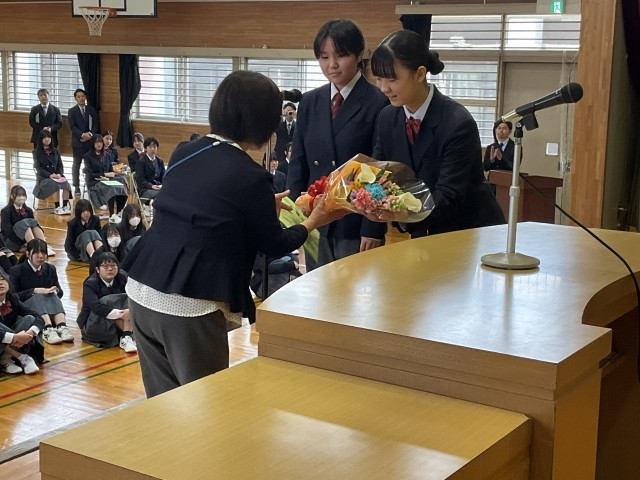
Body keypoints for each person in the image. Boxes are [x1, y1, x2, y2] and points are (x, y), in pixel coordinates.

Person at [122, 70, 346, 398]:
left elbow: (203, 206)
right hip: (189, 303)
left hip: (141, 289)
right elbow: (273, 244)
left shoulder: (186, 151)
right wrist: (314, 220)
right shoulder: (251, 176)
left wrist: (258, 207)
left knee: (163, 405)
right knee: (207, 405)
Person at [370, 30, 505, 238]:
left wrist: (400, 213)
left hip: (468, 231)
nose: (383, 88)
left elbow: (449, 195)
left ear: (420, 74)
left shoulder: (458, 122)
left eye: (392, 79)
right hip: (423, 231)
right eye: (379, 79)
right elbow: (380, 172)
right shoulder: (387, 117)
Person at [287, 18, 389, 271]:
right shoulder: (310, 101)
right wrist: (295, 215)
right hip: (316, 216)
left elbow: (381, 168)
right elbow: (298, 161)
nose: (332, 65)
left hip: (356, 220)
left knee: (356, 289)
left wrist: (373, 227)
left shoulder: (379, 102)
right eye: (324, 57)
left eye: (341, 55)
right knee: (318, 288)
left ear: (359, 55)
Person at [10, 239, 73, 344]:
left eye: (43, 253)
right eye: (36, 253)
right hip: (26, 307)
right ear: (28, 254)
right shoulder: (16, 270)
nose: (41, 256)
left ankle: (62, 326)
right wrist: (35, 291)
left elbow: (60, 291)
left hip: (47, 306)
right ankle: (47, 329)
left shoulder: (50, 268)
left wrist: (55, 290)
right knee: (38, 296)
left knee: (53, 295)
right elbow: (13, 296)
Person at [78, 252, 136, 353]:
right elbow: (96, 307)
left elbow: (133, 296)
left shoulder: (122, 277)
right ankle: (128, 336)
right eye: (105, 266)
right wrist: (122, 314)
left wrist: (128, 311)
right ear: (97, 269)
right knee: (107, 300)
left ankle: (126, 336)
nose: (110, 269)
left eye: (113, 266)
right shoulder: (90, 283)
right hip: (95, 322)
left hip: (119, 320)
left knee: (127, 298)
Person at [0, 268, 44, 375]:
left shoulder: (13, 298)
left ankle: (6, 357)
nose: (0, 283)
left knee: (29, 318)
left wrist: (30, 333)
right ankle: (22, 358)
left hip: (14, 341)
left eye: (3, 279)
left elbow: (38, 317)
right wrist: (15, 337)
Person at [83, 134, 128, 217]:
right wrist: (104, 174)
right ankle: (112, 214)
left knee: (121, 188)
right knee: (111, 189)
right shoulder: (87, 156)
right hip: (94, 182)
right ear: (93, 143)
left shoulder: (107, 155)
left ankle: (119, 212)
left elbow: (110, 169)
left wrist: (115, 172)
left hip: (106, 180)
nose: (99, 144)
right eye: (97, 142)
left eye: (100, 142)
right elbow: (90, 174)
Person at [0, 185, 51, 254]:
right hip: (12, 240)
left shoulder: (28, 210)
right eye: (19, 195)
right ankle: (34, 247)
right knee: (23, 223)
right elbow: (7, 231)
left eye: (23, 195)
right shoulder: (6, 211)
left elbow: (34, 225)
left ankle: (43, 246)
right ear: (12, 196)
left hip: (27, 240)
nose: (22, 198)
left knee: (33, 223)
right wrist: (22, 243)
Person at [33, 130, 72, 215]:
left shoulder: (55, 151)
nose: (47, 139)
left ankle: (65, 206)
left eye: (49, 137)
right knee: (55, 185)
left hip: (57, 176)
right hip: (44, 177)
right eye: (45, 138)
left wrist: (59, 174)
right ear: (41, 139)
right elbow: (38, 168)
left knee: (66, 184)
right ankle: (57, 207)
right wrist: (50, 175)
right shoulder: (36, 152)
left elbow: (60, 164)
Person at [68, 88, 99, 196]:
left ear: (85, 97)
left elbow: (95, 125)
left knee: (90, 165)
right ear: (76, 98)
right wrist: (82, 135)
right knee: (76, 165)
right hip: (78, 142)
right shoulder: (72, 111)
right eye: (79, 97)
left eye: (82, 96)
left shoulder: (91, 110)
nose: (81, 98)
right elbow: (72, 127)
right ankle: (76, 186)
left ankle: (91, 185)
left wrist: (90, 135)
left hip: (90, 142)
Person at [135, 136, 165, 200]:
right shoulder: (140, 162)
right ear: (145, 148)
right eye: (150, 147)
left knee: (170, 192)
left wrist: (163, 185)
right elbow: (140, 180)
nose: (152, 149)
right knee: (162, 195)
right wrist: (151, 186)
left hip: (158, 187)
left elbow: (163, 177)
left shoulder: (160, 161)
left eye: (154, 147)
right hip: (145, 189)